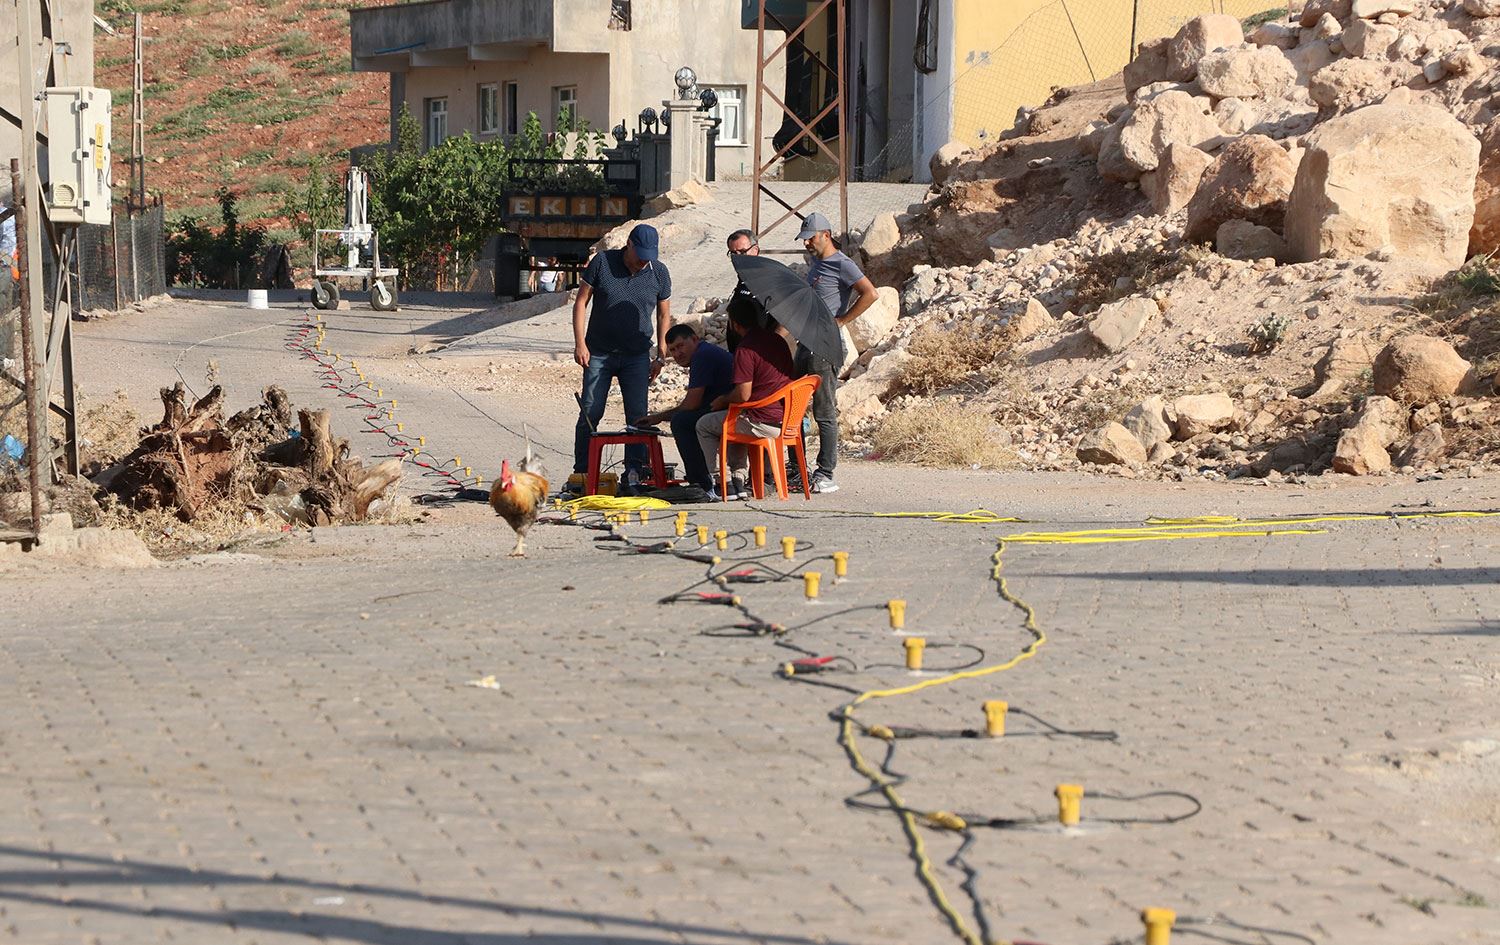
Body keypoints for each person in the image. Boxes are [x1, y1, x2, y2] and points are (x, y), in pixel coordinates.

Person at [571, 224, 672, 491]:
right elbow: (581, 302)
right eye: (640, 255)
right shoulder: (602, 263)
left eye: (649, 256)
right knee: (591, 411)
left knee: (638, 417)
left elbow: (664, 314)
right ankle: (582, 472)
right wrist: (580, 344)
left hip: (637, 355)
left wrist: (661, 355)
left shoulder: (659, 272)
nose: (643, 261)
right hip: (598, 352)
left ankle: (635, 472)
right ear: (629, 244)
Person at [795, 211, 878, 495]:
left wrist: (842, 320)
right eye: (804, 239)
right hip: (806, 342)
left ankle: (825, 473)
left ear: (826, 235)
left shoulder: (842, 264)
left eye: (810, 238)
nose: (806, 243)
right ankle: (796, 467)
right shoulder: (816, 264)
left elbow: (870, 293)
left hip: (825, 345)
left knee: (824, 410)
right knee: (793, 407)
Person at [696, 305, 794, 501]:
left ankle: (721, 481)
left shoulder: (745, 349)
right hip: (787, 419)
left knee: (705, 425)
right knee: (735, 416)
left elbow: (743, 394)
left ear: (734, 324)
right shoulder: (778, 341)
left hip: (763, 422)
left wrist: (723, 400)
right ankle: (738, 480)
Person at [637, 324, 733, 491]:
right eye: (673, 350)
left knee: (681, 422)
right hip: (728, 407)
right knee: (686, 418)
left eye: (680, 346)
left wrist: (659, 417)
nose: (677, 354)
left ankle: (700, 483)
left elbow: (691, 404)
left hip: (735, 411)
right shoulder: (703, 353)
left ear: (695, 339)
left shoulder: (703, 356)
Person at [724, 229, 769, 352]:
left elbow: (784, 321)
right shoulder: (743, 279)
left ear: (755, 250)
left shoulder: (769, 279)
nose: (738, 258)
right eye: (733, 253)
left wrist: (769, 348)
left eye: (743, 252)